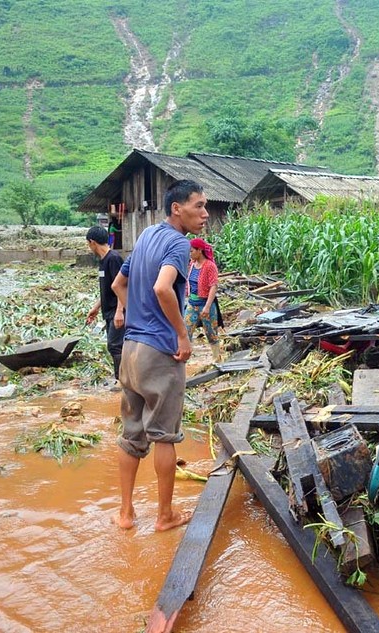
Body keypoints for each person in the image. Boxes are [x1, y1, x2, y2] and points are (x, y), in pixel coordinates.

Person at [110, 179, 208, 532]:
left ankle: (125, 514)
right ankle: (165, 516)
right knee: (164, 435)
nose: (205, 214)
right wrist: (181, 333)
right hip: (159, 352)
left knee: (131, 435)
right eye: (199, 206)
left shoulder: (146, 236)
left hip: (130, 351)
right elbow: (163, 287)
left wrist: (132, 313)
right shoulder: (178, 244)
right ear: (177, 209)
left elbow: (118, 284)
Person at [85, 226, 125, 389]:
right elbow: (107, 288)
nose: (89, 247)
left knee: (115, 346)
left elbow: (122, 286)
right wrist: (95, 308)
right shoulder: (103, 261)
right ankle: (127, 378)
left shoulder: (113, 259)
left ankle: (122, 380)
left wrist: (119, 312)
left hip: (117, 310)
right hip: (108, 311)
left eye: (88, 244)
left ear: (92, 242)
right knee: (117, 345)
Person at [185, 237, 224, 363]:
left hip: (205, 304)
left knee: (211, 333)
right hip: (192, 304)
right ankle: (185, 360)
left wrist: (207, 307)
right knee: (186, 331)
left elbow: (213, 286)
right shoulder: (192, 265)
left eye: (191, 251)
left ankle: (216, 359)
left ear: (199, 250)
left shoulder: (209, 266)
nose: (190, 254)